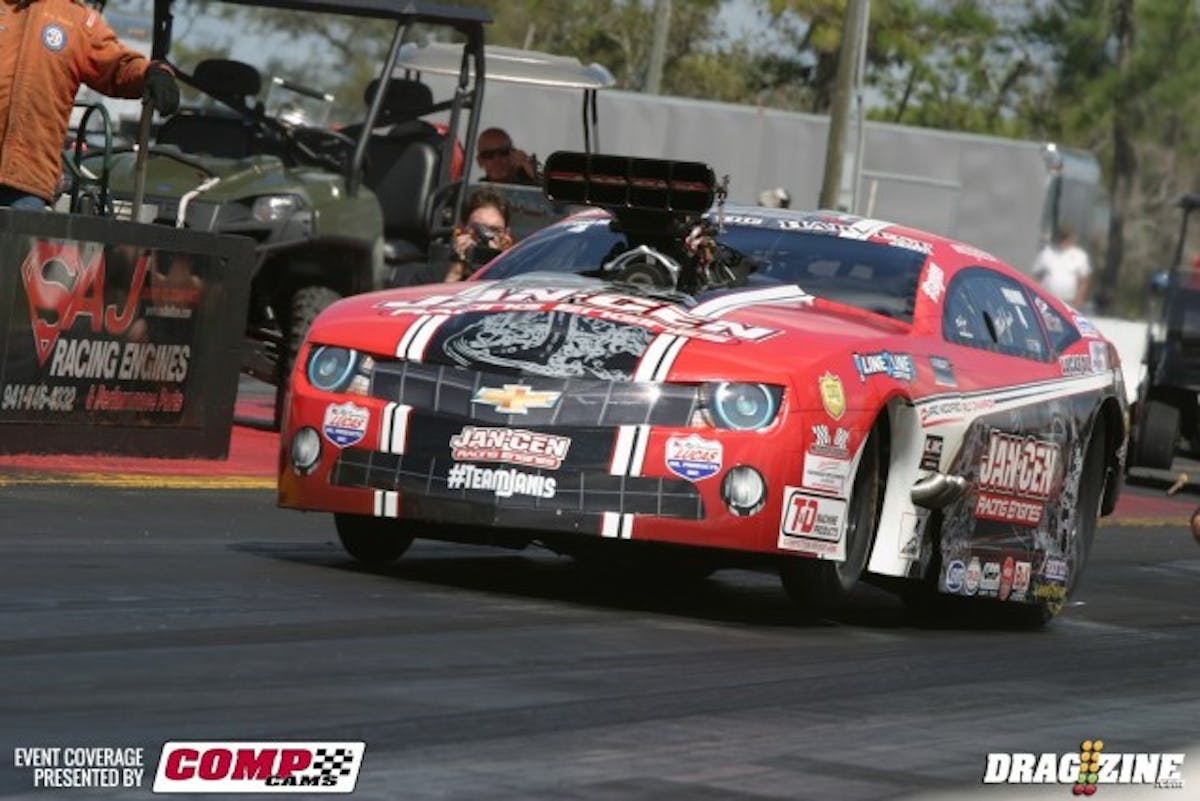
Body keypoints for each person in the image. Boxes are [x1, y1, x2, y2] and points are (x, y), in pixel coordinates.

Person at [0, 0, 180, 210]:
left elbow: (116, 66)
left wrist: (152, 73)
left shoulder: (79, 20)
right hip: (28, 186)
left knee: (16, 241)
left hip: (27, 182)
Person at [401, 187, 513, 284]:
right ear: (463, 230)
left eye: (495, 230)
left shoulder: (516, 278)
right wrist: (455, 272)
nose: (486, 237)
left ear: (506, 235)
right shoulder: (430, 277)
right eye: (478, 230)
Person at [1031, 225, 1091, 306]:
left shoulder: (1080, 256)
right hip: (1046, 300)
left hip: (1068, 302)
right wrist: (1035, 297)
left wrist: (1079, 299)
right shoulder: (1046, 253)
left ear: (1072, 238)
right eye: (1061, 237)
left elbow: (1083, 281)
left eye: (1066, 237)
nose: (1063, 240)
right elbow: (1036, 277)